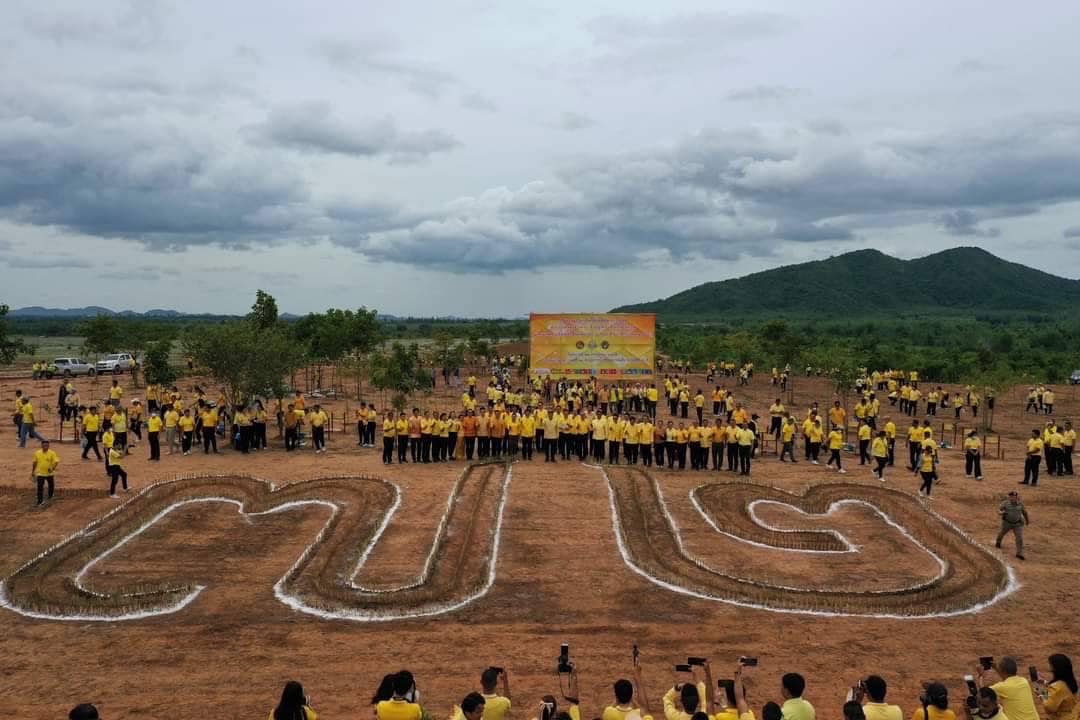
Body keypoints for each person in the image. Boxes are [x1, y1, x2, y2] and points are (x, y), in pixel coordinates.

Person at [1034, 654, 1077, 720]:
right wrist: (1045, 682)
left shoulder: (1058, 687)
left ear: (1054, 667)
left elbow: (1049, 707)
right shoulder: (1070, 681)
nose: (1048, 665)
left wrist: (1040, 692)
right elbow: (1062, 692)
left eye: (1050, 664)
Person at [996, 491, 1029, 560]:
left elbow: (1025, 513)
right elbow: (999, 510)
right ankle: (998, 542)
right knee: (1001, 533)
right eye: (1011, 496)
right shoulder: (1005, 503)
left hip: (1017, 524)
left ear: (1016, 497)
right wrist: (1001, 512)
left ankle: (1019, 553)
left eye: (1014, 497)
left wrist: (1027, 521)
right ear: (1009, 497)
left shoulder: (1020, 504)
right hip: (1007, 523)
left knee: (1019, 538)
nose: (1012, 498)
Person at [30, 438, 59, 506]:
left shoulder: (52, 453)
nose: (45, 447)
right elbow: (34, 462)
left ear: (48, 446)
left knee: (51, 485)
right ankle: (40, 501)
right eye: (44, 445)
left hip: (49, 473)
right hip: (40, 473)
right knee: (40, 487)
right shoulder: (37, 453)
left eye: (47, 445)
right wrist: (33, 471)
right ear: (41, 446)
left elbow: (56, 461)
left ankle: (50, 496)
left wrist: (52, 468)